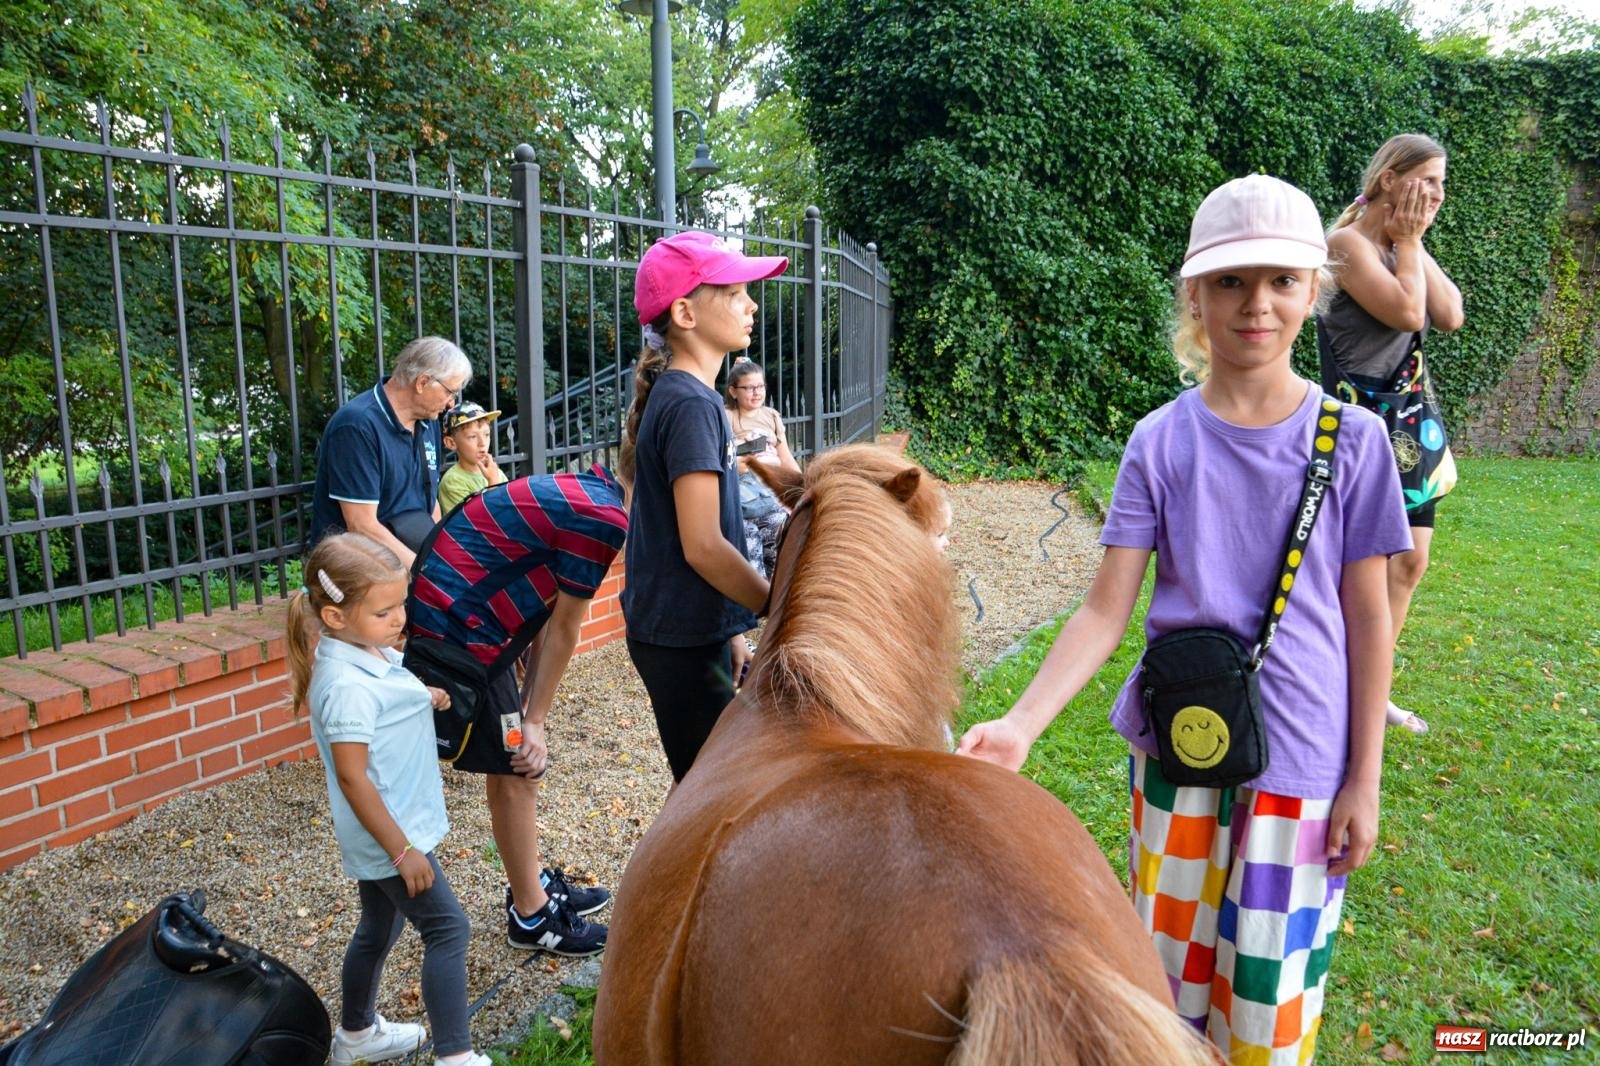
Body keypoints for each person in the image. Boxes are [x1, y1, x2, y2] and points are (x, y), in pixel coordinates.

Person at [958, 175, 1412, 1064]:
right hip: (1179, 755)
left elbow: (1369, 622)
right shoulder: (1158, 441)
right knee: (1163, 997)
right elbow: (1104, 609)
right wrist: (1020, 724)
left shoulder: (1354, 443)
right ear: (1196, 297)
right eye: (1232, 282)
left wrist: (1367, 776)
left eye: (1282, 281)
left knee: (1266, 1010)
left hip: (1305, 767)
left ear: (1313, 291)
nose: (1258, 304)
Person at [286, 533, 492, 1066]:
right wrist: (402, 852)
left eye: (402, 603)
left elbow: (381, 704)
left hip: (392, 832)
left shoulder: (365, 653)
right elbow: (355, 777)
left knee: (380, 926)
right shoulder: (346, 686)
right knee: (448, 928)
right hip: (391, 836)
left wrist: (421, 695)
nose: (399, 618)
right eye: (385, 611)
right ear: (335, 618)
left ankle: (355, 1035)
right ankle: (456, 1055)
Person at [406, 470, 627, 955]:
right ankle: (531, 914)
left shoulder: (592, 489)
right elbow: (567, 628)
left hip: (472, 613)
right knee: (517, 767)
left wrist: (530, 702)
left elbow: (545, 609)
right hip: (461, 626)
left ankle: (531, 882)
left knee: (517, 763)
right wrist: (533, 721)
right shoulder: (604, 519)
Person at [618, 231, 786, 781]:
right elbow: (703, 545)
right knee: (714, 796)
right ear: (685, 312)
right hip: (680, 639)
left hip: (691, 632)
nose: (752, 303)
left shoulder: (688, 396)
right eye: (736, 292)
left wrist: (732, 628)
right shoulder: (692, 404)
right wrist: (777, 608)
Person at [1323, 134, 1465, 736]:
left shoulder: (1403, 246)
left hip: (1411, 420)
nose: (1436, 193)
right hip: (1364, 423)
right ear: (1389, 180)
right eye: (1426, 180)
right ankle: (1335, 683)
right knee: (1363, 565)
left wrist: (1413, 243)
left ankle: (1370, 689)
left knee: (1411, 563)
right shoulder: (1346, 245)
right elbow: (1408, 313)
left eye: (1440, 183)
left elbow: (1450, 314)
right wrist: (1406, 243)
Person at [310, 336, 474, 568]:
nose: (451, 403)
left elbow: (430, 503)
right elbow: (361, 525)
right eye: (450, 392)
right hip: (356, 569)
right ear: (422, 382)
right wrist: (425, 572)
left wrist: (438, 557)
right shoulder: (357, 425)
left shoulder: (428, 422)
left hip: (408, 556)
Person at [724, 357, 798, 577]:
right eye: (749, 388)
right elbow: (719, 460)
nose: (756, 393)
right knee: (750, 551)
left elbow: (786, 458)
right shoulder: (726, 417)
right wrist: (739, 466)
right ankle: (756, 602)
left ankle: (775, 601)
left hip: (770, 495)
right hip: (743, 500)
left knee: (779, 548)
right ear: (733, 391)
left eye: (760, 386)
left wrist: (802, 486)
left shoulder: (771, 416)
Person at [436, 401, 507, 513]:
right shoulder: (453, 482)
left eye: (486, 435)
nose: (482, 443)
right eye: (472, 436)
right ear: (451, 443)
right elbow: (476, 523)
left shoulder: (496, 473)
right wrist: (493, 483)